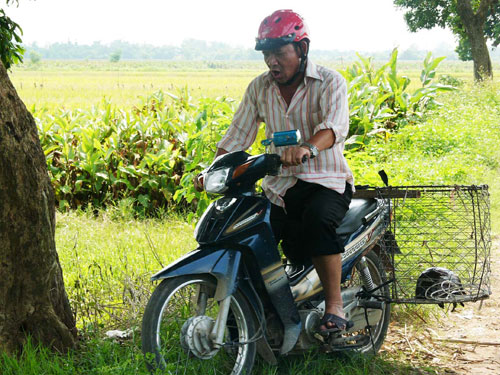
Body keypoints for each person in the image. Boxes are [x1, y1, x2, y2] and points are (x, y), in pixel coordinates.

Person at [197, 9, 354, 333]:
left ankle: (335, 306)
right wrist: (212, 170)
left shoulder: (329, 82)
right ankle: (270, 309)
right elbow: (237, 135)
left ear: (302, 48)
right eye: (267, 54)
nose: (272, 61)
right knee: (251, 233)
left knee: (318, 222)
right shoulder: (259, 88)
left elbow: (334, 127)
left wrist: (308, 147)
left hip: (325, 180)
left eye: (279, 52)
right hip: (278, 186)